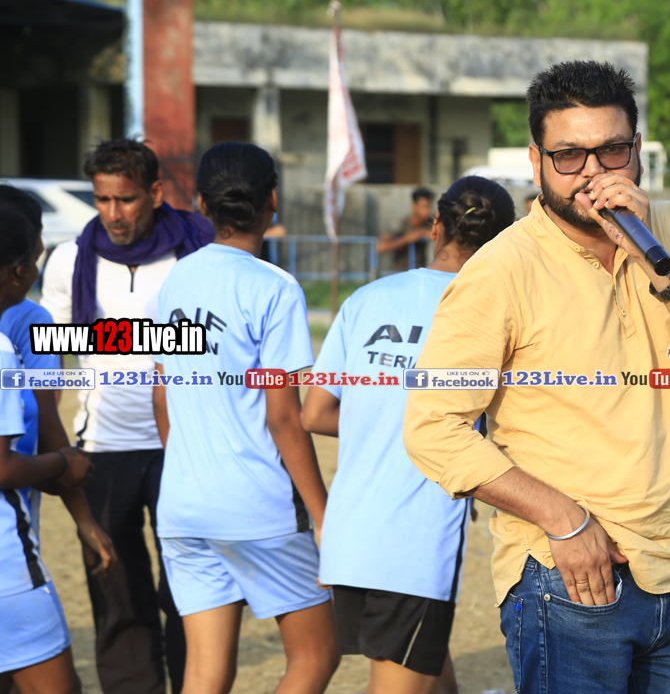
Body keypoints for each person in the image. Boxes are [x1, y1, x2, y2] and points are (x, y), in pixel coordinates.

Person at [403, 60, 670, 694]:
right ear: (536, 161)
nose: (594, 173)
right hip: (565, 576)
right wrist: (563, 519)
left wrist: (652, 257)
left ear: (638, 150)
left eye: (612, 150)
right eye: (569, 156)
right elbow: (433, 429)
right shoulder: (502, 269)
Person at [302, 176, 515, 694]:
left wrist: (379, 426)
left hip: (353, 530)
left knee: (425, 668)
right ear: (505, 242)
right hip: (415, 539)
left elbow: (315, 413)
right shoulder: (494, 309)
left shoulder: (368, 298)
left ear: (436, 225)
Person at [151, 142, 339, 694]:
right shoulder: (274, 287)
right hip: (258, 505)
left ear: (201, 203)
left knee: (204, 673)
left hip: (182, 505)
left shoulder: (176, 280)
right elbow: (284, 417)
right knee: (316, 656)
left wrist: (189, 469)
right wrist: (322, 513)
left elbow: (162, 396)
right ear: (272, 200)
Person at [40, 139, 209, 694]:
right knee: (116, 593)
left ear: (156, 193)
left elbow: (214, 345)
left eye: (126, 199)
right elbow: (50, 352)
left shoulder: (198, 253)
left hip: (183, 446)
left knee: (189, 591)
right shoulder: (68, 259)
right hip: (102, 449)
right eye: (102, 199)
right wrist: (58, 449)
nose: (113, 213)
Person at [0, 204, 101, 694]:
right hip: (7, 563)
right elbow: (4, 465)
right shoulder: (6, 348)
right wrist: (64, 462)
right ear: (21, 270)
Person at [0, 186, 115, 582]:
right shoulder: (25, 325)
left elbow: (45, 417)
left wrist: (82, 518)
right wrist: (64, 468)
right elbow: (47, 424)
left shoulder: (29, 319)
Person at [378, 187, 435, 271]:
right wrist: (406, 239)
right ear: (414, 206)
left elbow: (443, 235)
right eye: (424, 206)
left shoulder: (431, 223)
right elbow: (380, 247)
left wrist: (422, 233)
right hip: (400, 272)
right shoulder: (401, 224)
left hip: (420, 272)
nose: (427, 211)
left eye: (429, 207)